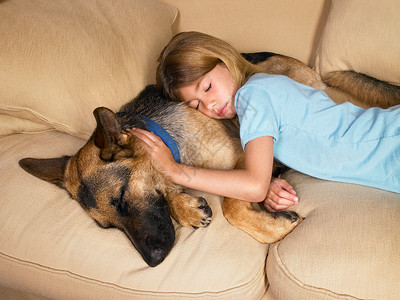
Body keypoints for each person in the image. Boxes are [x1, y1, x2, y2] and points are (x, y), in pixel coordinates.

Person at [130, 31, 400, 212]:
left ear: (224, 61)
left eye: (207, 86)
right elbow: (267, 170)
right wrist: (266, 182)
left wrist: (174, 170)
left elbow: (253, 186)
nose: (209, 105)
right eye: (196, 105)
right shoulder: (260, 93)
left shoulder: (253, 95)